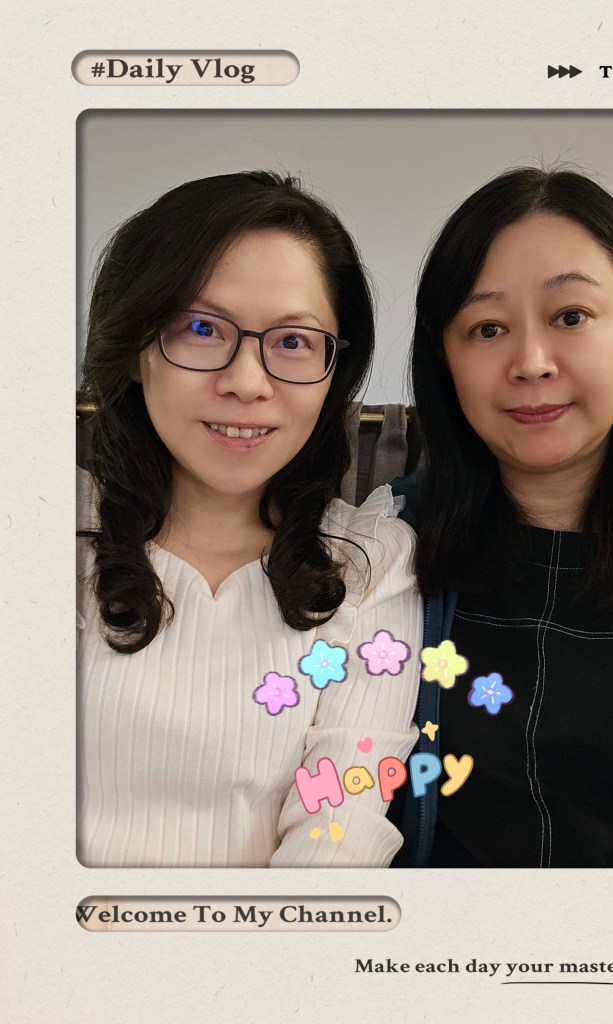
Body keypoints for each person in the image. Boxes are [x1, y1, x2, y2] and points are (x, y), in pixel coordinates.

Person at [77, 171, 422, 868]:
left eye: (293, 341)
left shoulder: (370, 563)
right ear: (137, 349)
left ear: (334, 372)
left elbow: (343, 824)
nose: (247, 382)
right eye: (202, 329)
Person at [392, 167, 613, 868]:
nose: (530, 362)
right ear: (446, 359)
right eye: (487, 328)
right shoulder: (379, 548)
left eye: (571, 316)